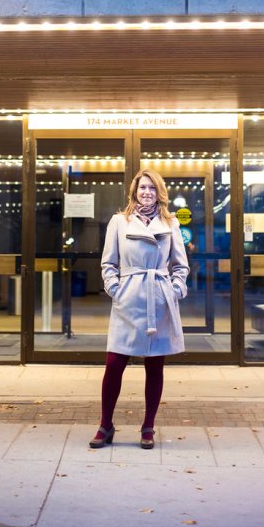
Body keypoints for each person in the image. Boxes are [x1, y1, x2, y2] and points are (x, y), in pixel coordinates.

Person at [90, 168, 189, 450]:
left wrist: (175, 289)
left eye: (152, 188)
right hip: (129, 298)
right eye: (142, 187)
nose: (147, 192)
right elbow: (108, 262)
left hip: (158, 298)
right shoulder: (119, 222)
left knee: (154, 365)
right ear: (134, 191)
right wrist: (115, 288)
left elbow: (180, 265)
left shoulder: (170, 224)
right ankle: (105, 425)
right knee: (114, 365)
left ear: (160, 192)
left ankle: (148, 427)